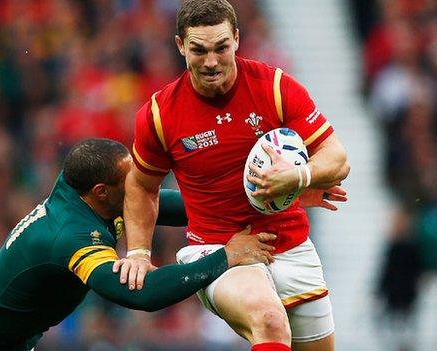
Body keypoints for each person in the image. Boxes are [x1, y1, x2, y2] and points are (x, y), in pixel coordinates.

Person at [121, 1, 350, 351]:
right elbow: (140, 185)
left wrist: (298, 178)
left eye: (221, 48)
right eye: (198, 50)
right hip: (215, 250)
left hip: (290, 247)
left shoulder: (275, 88)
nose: (211, 62)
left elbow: (337, 159)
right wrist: (138, 252)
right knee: (268, 319)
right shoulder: (159, 114)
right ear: (181, 45)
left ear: (237, 40)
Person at [0, 138, 276, 351]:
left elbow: (178, 206)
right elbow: (141, 294)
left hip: (2, 333)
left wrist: (266, 199)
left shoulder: (83, 187)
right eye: (128, 182)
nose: (139, 186)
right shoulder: (70, 238)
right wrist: (226, 256)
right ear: (101, 191)